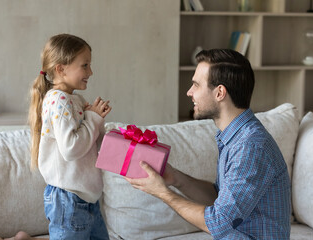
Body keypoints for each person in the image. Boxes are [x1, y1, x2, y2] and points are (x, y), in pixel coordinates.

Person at [125, 49, 291, 239]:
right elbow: (219, 198)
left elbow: (219, 223)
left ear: (220, 92)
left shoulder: (250, 146)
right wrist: (176, 178)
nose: (189, 92)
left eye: (196, 85)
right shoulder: (234, 137)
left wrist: (163, 192)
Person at [28, 33, 111, 239]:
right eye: (85, 65)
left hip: (86, 199)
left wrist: (96, 122)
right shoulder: (59, 100)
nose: (90, 71)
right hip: (69, 199)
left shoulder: (73, 100)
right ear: (61, 69)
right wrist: (92, 119)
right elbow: (71, 148)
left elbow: (87, 144)